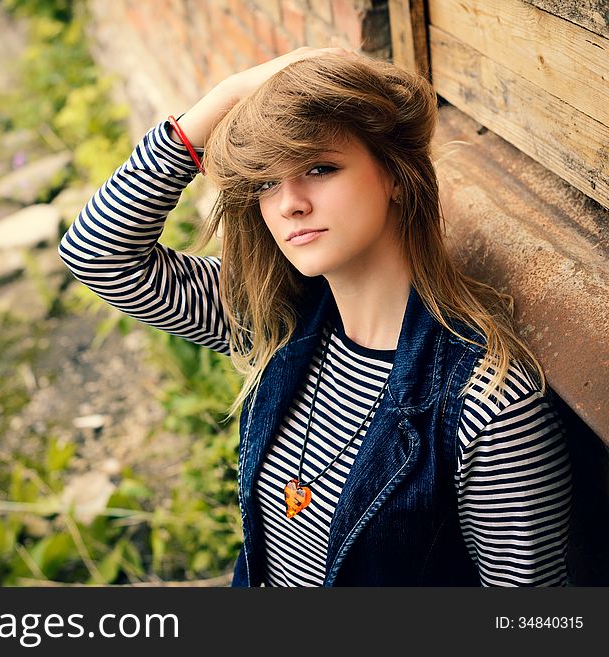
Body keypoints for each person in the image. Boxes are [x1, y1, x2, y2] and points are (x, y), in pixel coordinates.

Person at [57, 47, 572, 586]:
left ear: (394, 174)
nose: (290, 204)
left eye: (319, 169)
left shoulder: (487, 402)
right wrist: (229, 94)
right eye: (266, 183)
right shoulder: (278, 321)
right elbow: (98, 254)